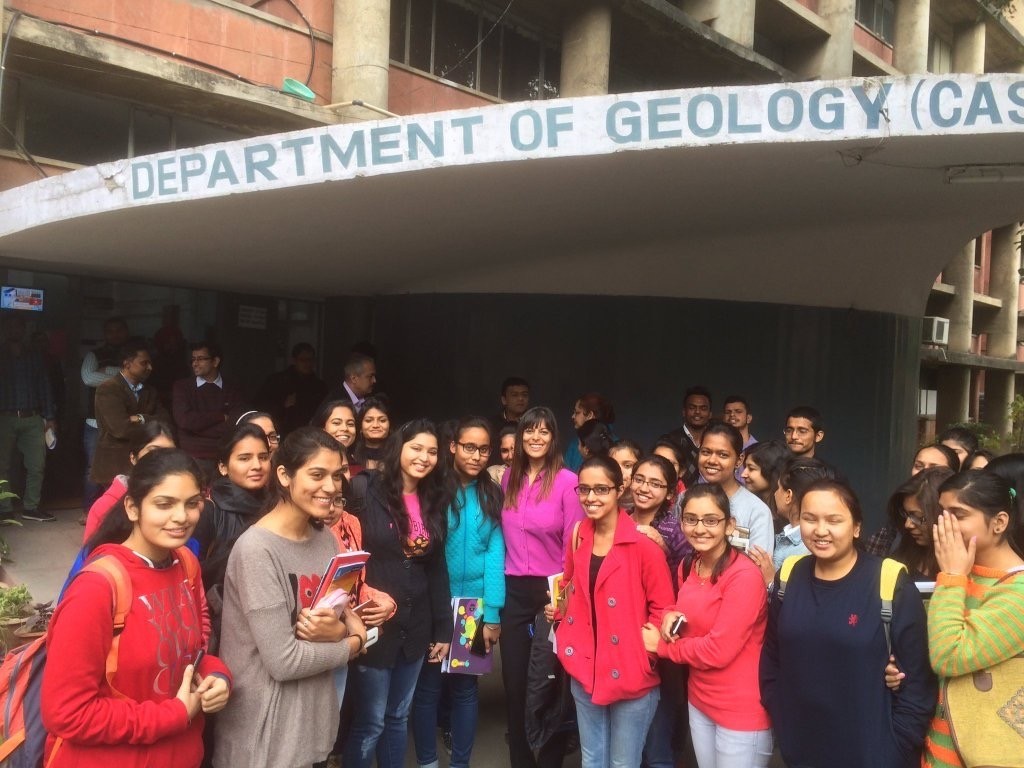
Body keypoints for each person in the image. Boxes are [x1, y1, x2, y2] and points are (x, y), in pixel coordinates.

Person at [42, 449, 232, 768]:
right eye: (164, 504)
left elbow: (192, 652)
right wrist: (172, 715)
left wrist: (216, 674)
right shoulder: (96, 589)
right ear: (132, 507)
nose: (181, 517)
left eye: (192, 503)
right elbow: (66, 713)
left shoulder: (186, 564)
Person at [214, 427, 367, 768]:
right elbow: (284, 661)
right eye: (317, 474)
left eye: (337, 476)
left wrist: (345, 629)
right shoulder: (257, 550)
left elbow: (343, 612)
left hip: (312, 721)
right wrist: (354, 644)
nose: (330, 487)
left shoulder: (326, 539)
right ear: (284, 475)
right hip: (265, 736)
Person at [759, 478, 936, 768]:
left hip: (871, 752)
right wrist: (781, 715)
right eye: (809, 518)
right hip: (801, 748)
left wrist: (897, 746)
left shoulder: (889, 582)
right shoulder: (789, 576)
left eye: (834, 520)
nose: (820, 530)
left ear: (856, 527)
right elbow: (773, 654)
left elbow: (917, 681)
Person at [548, 455, 672, 768]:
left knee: (623, 762)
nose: (591, 497)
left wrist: (648, 655)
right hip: (585, 664)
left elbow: (663, 607)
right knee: (592, 758)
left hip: (630, 668)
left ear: (620, 489)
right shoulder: (579, 534)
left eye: (601, 489)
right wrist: (561, 616)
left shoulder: (644, 545)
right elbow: (567, 583)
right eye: (584, 489)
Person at [343, 419, 453, 768]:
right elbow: (343, 546)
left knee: (397, 718)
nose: (424, 457)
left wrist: (443, 629)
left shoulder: (434, 498)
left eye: (432, 451)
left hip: (415, 625)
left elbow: (436, 567)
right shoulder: (364, 491)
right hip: (374, 624)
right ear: (399, 448)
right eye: (416, 447)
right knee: (371, 721)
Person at [643, 484, 773, 768]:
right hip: (700, 699)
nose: (699, 528)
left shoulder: (744, 577)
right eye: (691, 519)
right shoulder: (690, 564)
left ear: (730, 525)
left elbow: (719, 650)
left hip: (740, 710)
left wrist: (662, 647)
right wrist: (669, 613)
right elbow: (685, 606)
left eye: (711, 520)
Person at [412, 417, 505, 768]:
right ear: (453, 447)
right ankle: (427, 763)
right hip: (434, 604)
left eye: (484, 449)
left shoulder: (491, 493)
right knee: (429, 690)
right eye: (469, 447)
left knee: (465, 691)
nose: (477, 455)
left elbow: (497, 554)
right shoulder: (431, 489)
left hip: (473, 607)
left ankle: (460, 764)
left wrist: (493, 613)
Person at [916, 470, 1024, 768]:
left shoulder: (1018, 592)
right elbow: (931, 648)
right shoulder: (960, 575)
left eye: (958, 514)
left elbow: (948, 656)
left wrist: (951, 576)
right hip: (934, 752)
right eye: (941, 514)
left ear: (999, 522)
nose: (944, 524)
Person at [501, 405, 583, 768]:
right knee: (515, 684)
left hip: (553, 591)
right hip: (514, 591)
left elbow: (574, 546)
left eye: (543, 431)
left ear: (553, 438)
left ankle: (550, 759)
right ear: (520, 437)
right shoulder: (507, 479)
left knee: (550, 684)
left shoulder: (568, 482)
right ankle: (521, 759)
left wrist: (563, 600)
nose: (535, 437)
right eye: (528, 430)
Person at [191, 423, 272, 641]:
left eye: (263, 457)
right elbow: (190, 574)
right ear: (223, 467)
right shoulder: (209, 511)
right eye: (244, 458)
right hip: (223, 625)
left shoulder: (278, 508)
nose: (257, 465)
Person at [0, 312, 57, 521]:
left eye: (19, 327)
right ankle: (4, 509)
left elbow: (44, 385)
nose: (15, 330)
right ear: (5, 329)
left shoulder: (34, 355)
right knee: (1, 465)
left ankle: (30, 507)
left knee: (36, 464)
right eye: (11, 326)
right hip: (3, 417)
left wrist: (50, 416)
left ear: (24, 330)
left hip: (32, 416)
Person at [92, 341, 170, 490]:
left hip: (142, 464)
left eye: (150, 363)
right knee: (115, 510)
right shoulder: (108, 389)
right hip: (113, 465)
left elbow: (166, 420)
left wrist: (141, 418)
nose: (150, 368)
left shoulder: (150, 391)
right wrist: (151, 426)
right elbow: (120, 428)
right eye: (144, 363)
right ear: (127, 364)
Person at [82, 420, 176, 541]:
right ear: (133, 457)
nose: (163, 460)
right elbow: (91, 556)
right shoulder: (106, 507)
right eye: (153, 451)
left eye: (169, 453)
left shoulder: (184, 505)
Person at [749, 457, 835, 582]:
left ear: (788, 495)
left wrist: (771, 582)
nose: (775, 494)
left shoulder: (806, 548)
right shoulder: (789, 536)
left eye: (778, 488)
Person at [866, 443, 960, 557]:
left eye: (934, 469)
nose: (924, 472)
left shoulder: (960, 537)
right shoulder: (897, 523)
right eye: (918, 466)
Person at [697, 421, 774, 557]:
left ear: (739, 460)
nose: (712, 460)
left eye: (723, 455)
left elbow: (758, 569)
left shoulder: (756, 511)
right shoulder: (685, 500)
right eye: (706, 452)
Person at [172, 342, 244, 479]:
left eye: (200, 359)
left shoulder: (232, 387)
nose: (194, 363)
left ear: (215, 361)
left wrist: (198, 429)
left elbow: (236, 424)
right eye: (193, 359)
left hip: (226, 457)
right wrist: (220, 416)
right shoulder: (182, 387)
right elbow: (185, 421)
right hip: (193, 457)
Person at [79, 316, 129, 512]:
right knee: (94, 468)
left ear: (126, 331)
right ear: (104, 334)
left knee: (123, 468)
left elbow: (140, 376)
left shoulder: (134, 353)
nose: (115, 334)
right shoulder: (95, 354)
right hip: (95, 423)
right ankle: (89, 510)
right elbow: (88, 378)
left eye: (119, 329)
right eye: (111, 330)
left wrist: (107, 370)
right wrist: (123, 376)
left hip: (124, 422)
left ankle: (118, 511)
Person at [880, 467, 953, 579]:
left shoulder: (968, 568)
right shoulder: (902, 554)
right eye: (906, 514)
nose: (907, 524)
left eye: (918, 517)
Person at [629, 455, 690, 578]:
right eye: (639, 480)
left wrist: (664, 550)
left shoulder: (676, 532)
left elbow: (685, 578)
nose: (644, 488)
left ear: (670, 493)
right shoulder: (619, 518)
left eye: (655, 484)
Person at [254, 342, 327, 437]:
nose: (307, 364)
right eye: (303, 360)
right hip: (282, 433)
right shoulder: (277, 381)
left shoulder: (319, 386)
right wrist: (282, 405)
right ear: (294, 360)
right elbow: (260, 407)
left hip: (310, 436)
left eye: (310, 360)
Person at [659, 385, 712, 487]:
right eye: (692, 407)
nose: (697, 412)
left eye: (703, 408)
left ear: (710, 414)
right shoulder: (670, 440)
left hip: (710, 498)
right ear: (684, 412)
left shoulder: (716, 442)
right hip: (677, 499)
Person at [565, 393, 616, 472]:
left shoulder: (616, 447)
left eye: (577, 412)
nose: (573, 416)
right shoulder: (574, 444)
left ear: (590, 415)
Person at [740, 440, 790, 517]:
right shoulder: (745, 506)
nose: (743, 474)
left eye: (751, 468)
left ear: (770, 471)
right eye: (745, 467)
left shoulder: (787, 514)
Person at [312, 398, 360, 473]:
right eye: (336, 423)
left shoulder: (360, 464)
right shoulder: (309, 462)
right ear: (323, 428)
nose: (345, 428)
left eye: (350, 424)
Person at [351, 396, 391, 472]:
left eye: (382, 420)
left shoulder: (398, 457)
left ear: (390, 426)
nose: (375, 425)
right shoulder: (351, 457)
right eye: (369, 420)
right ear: (360, 427)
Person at [609, 439, 642, 512]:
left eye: (627, 465)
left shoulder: (646, 500)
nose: (620, 471)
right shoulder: (601, 499)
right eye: (614, 465)